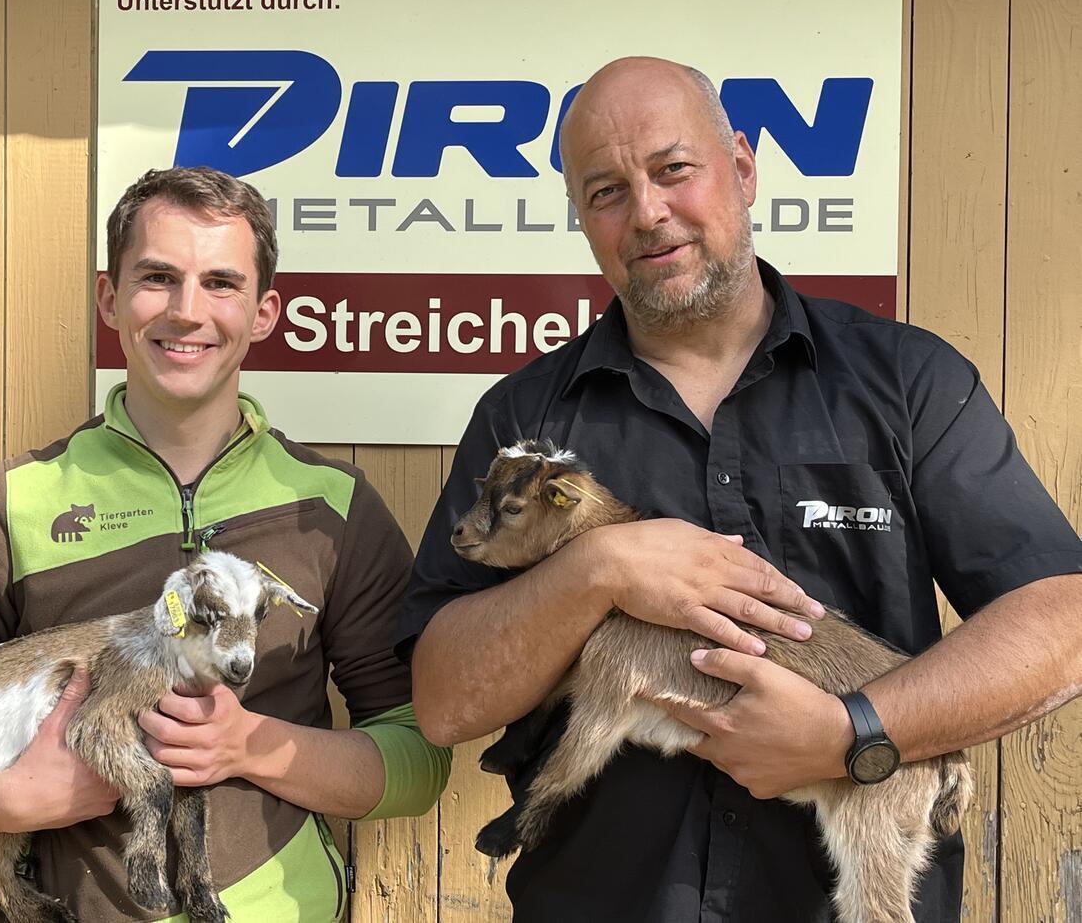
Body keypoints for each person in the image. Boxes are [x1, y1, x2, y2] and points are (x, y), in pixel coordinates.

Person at [398, 56, 1082, 922]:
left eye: (673, 169)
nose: (647, 211)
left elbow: (1062, 622)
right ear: (581, 218)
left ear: (744, 169)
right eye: (606, 191)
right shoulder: (525, 418)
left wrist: (853, 732)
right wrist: (598, 569)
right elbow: (443, 700)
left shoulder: (905, 384)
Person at [0, 166, 451, 922]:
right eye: (158, 277)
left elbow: (417, 757)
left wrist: (249, 744)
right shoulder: (12, 503)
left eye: (220, 283)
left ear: (263, 312)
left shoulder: (333, 508)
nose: (187, 311)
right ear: (110, 298)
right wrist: (4, 799)